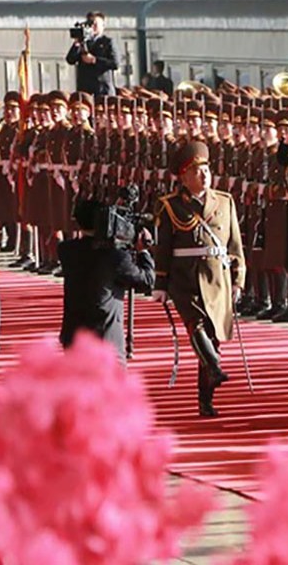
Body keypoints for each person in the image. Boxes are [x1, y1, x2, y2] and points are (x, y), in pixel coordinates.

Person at [153, 141, 246, 417]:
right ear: (184, 177)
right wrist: (160, 283)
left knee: (213, 336)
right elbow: (163, 247)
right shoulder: (170, 206)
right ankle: (215, 367)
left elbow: (235, 245)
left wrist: (238, 279)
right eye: (196, 171)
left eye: (205, 169)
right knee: (195, 325)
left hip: (217, 277)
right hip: (185, 277)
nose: (204, 175)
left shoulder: (224, 201)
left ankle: (205, 398)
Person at [57, 199, 156, 364]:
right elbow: (147, 280)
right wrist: (143, 251)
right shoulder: (115, 257)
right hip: (105, 343)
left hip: (73, 339)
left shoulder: (66, 250)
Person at [65, 11, 118, 97]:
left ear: (103, 26)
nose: (93, 27)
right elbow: (70, 60)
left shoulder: (108, 42)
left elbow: (115, 63)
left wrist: (94, 60)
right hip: (85, 89)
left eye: (95, 24)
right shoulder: (83, 42)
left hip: (102, 90)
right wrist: (77, 44)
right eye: (90, 24)